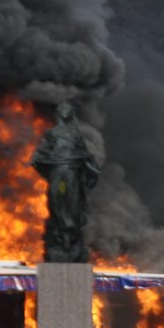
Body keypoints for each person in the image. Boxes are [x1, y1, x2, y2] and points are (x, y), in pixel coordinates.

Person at [30, 102, 100, 264]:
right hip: (58, 174)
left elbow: (85, 155)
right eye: (63, 109)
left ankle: (69, 234)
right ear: (59, 112)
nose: (66, 111)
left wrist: (89, 164)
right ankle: (61, 233)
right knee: (57, 200)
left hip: (72, 174)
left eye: (69, 109)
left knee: (72, 202)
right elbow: (39, 155)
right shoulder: (52, 134)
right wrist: (45, 163)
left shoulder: (75, 135)